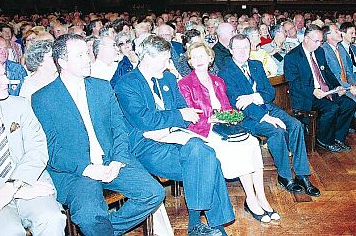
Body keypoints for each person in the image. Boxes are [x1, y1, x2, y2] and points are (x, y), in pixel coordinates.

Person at [31, 34, 164, 236]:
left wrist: (118, 160)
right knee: (89, 215)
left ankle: (105, 231)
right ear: (63, 62)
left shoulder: (102, 87)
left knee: (154, 193)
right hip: (75, 171)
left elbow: (119, 128)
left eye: (87, 53)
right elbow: (51, 150)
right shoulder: (43, 99)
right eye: (80, 55)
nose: (88, 59)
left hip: (110, 159)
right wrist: (86, 168)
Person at [114, 36, 234, 236]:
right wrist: (176, 116)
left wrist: (175, 119)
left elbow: (184, 109)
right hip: (146, 145)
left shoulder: (168, 78)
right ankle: (205, 222)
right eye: (164, 59)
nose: (168, 63)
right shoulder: (126, 84)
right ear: (148, 58)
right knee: (206, 159)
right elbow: (143, 121)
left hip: (175, 136)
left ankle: (197, 224)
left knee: (203, 153)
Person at [178, 42, 279, 223]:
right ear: (190, 62)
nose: (199, 60)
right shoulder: (185, 84)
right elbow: (188, 116)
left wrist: (229, 116)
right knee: (238, 148)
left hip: (224, 127)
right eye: (195, 57)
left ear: (210, 58)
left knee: (252, 143)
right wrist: (210, 119)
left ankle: (262, 197)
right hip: (203, 130)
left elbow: (227, 107)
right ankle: (251, 199)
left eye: (203, 56)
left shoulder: (218, 81)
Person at [219, 34, 321, 197]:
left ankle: (302, 174)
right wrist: (265, 117)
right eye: (238, 48)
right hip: (247, 117)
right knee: (276, 131)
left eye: (246, 47)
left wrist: (252, 97)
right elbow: (238, 103)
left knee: (295, 125)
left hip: (267, 106)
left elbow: (269, 92)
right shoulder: (225, 72)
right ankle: (285, 176)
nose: (242, 51)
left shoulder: (256, 65)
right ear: (230, 50)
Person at [0, 53, 66, 235]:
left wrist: (14, 186)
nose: (6, 81)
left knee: (52, 218)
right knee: (7, 230)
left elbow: (37, 149)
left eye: (4, 74)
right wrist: (10, 190)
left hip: (29, 180)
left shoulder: (19, 105)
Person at [284, 25, 356, 152]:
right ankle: (324, 140)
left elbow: (327, 72)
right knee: (332, 108)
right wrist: (313, 90)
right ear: (306, 39)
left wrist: (337, 86)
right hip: (306, 95)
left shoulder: (319, 51)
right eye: (316, 41)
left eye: (320, 41)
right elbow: (294, 83)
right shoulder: (292, 56)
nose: (319, 44)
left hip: (325, 91)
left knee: (349, 104)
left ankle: (338, 137)